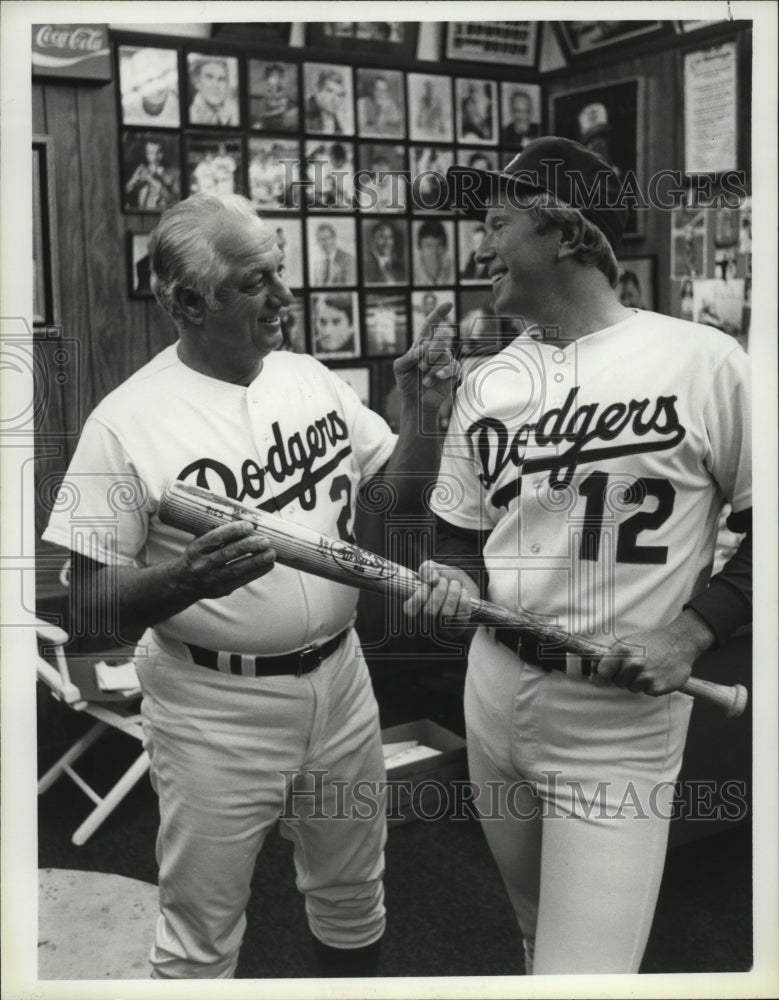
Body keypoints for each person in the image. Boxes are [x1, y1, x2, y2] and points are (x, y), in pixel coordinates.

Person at [42, 192, 457, 979]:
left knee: (353, 892)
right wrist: (181, 580)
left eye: (279, 270)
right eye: (254, 280)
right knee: (201, 931)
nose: (283, 297)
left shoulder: (308, 377)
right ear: (188, 301)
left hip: (340, 679)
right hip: (213, 707)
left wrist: (425, 415)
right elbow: (88, 600)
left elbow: (390, 501)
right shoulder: (127, 420)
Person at [406, 137, 751, 975]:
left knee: (583, 976)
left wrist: (690, 634)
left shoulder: (702, 360)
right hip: (492, 690)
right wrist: (450, 575)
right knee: (532, 935)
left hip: (616, 716)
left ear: (564, 233)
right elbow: (458, 533)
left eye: (495, 222)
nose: (477, 247)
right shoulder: (488, 381)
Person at [121, 47, 179, 127]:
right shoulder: (174, 65)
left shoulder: (132, 68)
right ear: (167, 92)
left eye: (153, 90)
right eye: (160, 91)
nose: (157, 84)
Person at [125, 139, 180, 211]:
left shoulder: (175, 173)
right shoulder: (140, 171)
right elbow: (123, 195)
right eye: (150, 153)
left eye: (158, 152)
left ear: (163, 153)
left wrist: (151, 180)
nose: (155, 157)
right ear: (146, 154)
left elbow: (176, 202)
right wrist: (133, 179)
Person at [188, 56, 239, 126]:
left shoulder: (236, 114)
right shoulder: (189, 116)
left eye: (221, 79)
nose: (216, 85)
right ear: (197, 82)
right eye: (209, 77)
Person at [251, 62, 297, 131]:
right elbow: (266, 105)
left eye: (278, 77)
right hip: (266, 119)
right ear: (268, 78)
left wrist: (267, 113)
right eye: (273, 77)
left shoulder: (283, 92)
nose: (276, 79)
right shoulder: (267, 92)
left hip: (278, 119)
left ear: (281, 78)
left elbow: (282, 108)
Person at [305, 68, 348, 134]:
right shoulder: (305, 111)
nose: (334, 100)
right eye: (329, 91)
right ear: (317, 90)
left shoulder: (336, 121)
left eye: (339, 95)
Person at [413, 219, 453, 286]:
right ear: (420, 249)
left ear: (445, 247)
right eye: (428, 246)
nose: (434, 252)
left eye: (439, 245)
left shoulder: (454, 272)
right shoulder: (410, 276)